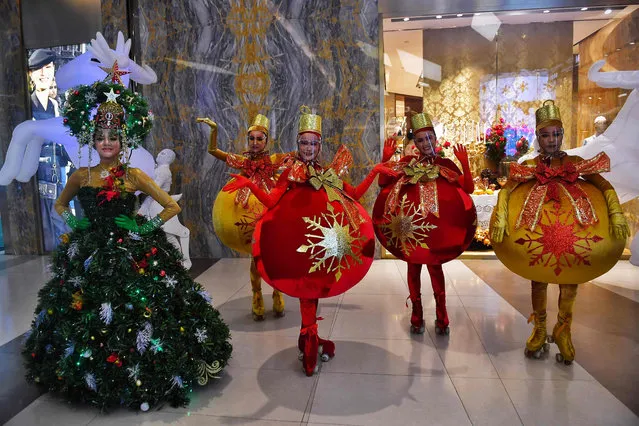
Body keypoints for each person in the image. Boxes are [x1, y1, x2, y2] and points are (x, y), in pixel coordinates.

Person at [23, 81, 231, 409]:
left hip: (131, 250)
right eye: (101, 137)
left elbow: (172, 207)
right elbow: (60, 205)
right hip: (89, 253)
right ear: (92, 141)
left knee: (143, 309)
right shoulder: (80, 176)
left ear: (123, 141)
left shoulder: (132, 176)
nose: (107, 142)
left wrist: (144, 225)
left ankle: (146, 366)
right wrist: (76, 222)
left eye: (113, 137)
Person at [225, 106, 396, 376]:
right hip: (296, 246)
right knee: (306, 292)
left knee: (313, 292)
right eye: (304, 142)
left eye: (313, 143)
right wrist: (250, 185)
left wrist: (375, 170)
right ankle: (310, 341)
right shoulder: (290, 173)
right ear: (298, 144)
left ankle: (310, 339)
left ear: (319, 145)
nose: (308, 148)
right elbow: (271, 202)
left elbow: (355, 194)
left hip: (324, 247)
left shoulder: (329, 173)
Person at [490, 100, 628, 364]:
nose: (551, 140)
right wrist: (501, 217)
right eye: (545, 135)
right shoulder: (530, 164)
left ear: (562, 135)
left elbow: (603, 183)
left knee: (570, 281)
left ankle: (563, 329)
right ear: (538, 137)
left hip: (573, 234)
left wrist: (615, 211)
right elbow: (507, 188)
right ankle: (539, 328)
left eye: (556, 134)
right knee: (538, 279)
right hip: (537, 235)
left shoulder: (575, 162)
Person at [373, 112, 476, 335]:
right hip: (410, 232)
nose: (426, 143)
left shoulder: (446, 164)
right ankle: (417, 312)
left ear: (436, 139)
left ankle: (441, 313)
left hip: (437, 233)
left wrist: (465, 164)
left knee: (435, 269)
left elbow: (468, 188)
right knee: (413, 269)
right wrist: (385, 158)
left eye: (429, 138)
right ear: (415, 143)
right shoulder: (407, 163)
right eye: (421, 140)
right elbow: (383, 182)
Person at [197, 114, 288, 320]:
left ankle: (277, 292)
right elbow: (213, 150)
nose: (255, 143)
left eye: (259, 139)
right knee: (256, 259)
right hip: (247, 220)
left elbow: (299, 157)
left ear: (266, 141)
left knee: (274, 258)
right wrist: (213, 129)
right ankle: (257, 297)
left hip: (271, 212)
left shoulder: (274, 161)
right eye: (251, 139)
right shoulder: (243, 162)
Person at [29, 49, 73, 250]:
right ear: (30, 74)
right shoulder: (27, 106)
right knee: (46, 223)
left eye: (47, 67)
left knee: (61, 220)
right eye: (37, 69)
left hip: (59, 176)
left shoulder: (57, 106)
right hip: (36, 177)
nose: (43, 73)